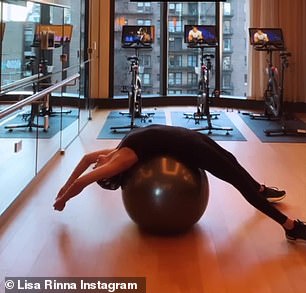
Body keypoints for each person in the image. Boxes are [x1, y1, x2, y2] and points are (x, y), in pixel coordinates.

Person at [54, 124, 306, 243]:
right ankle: (290, 226)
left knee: (232, 159)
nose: (96, 163)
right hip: (192, 150)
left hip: (191, 136)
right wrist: (65, 199)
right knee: (239, 183)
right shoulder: (122, 160)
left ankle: (261, 189)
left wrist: (63, 187)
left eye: (98, 165)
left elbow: (85, 161)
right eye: (100, 168)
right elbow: (86, 180)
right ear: (107, 173)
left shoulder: (113, 152)